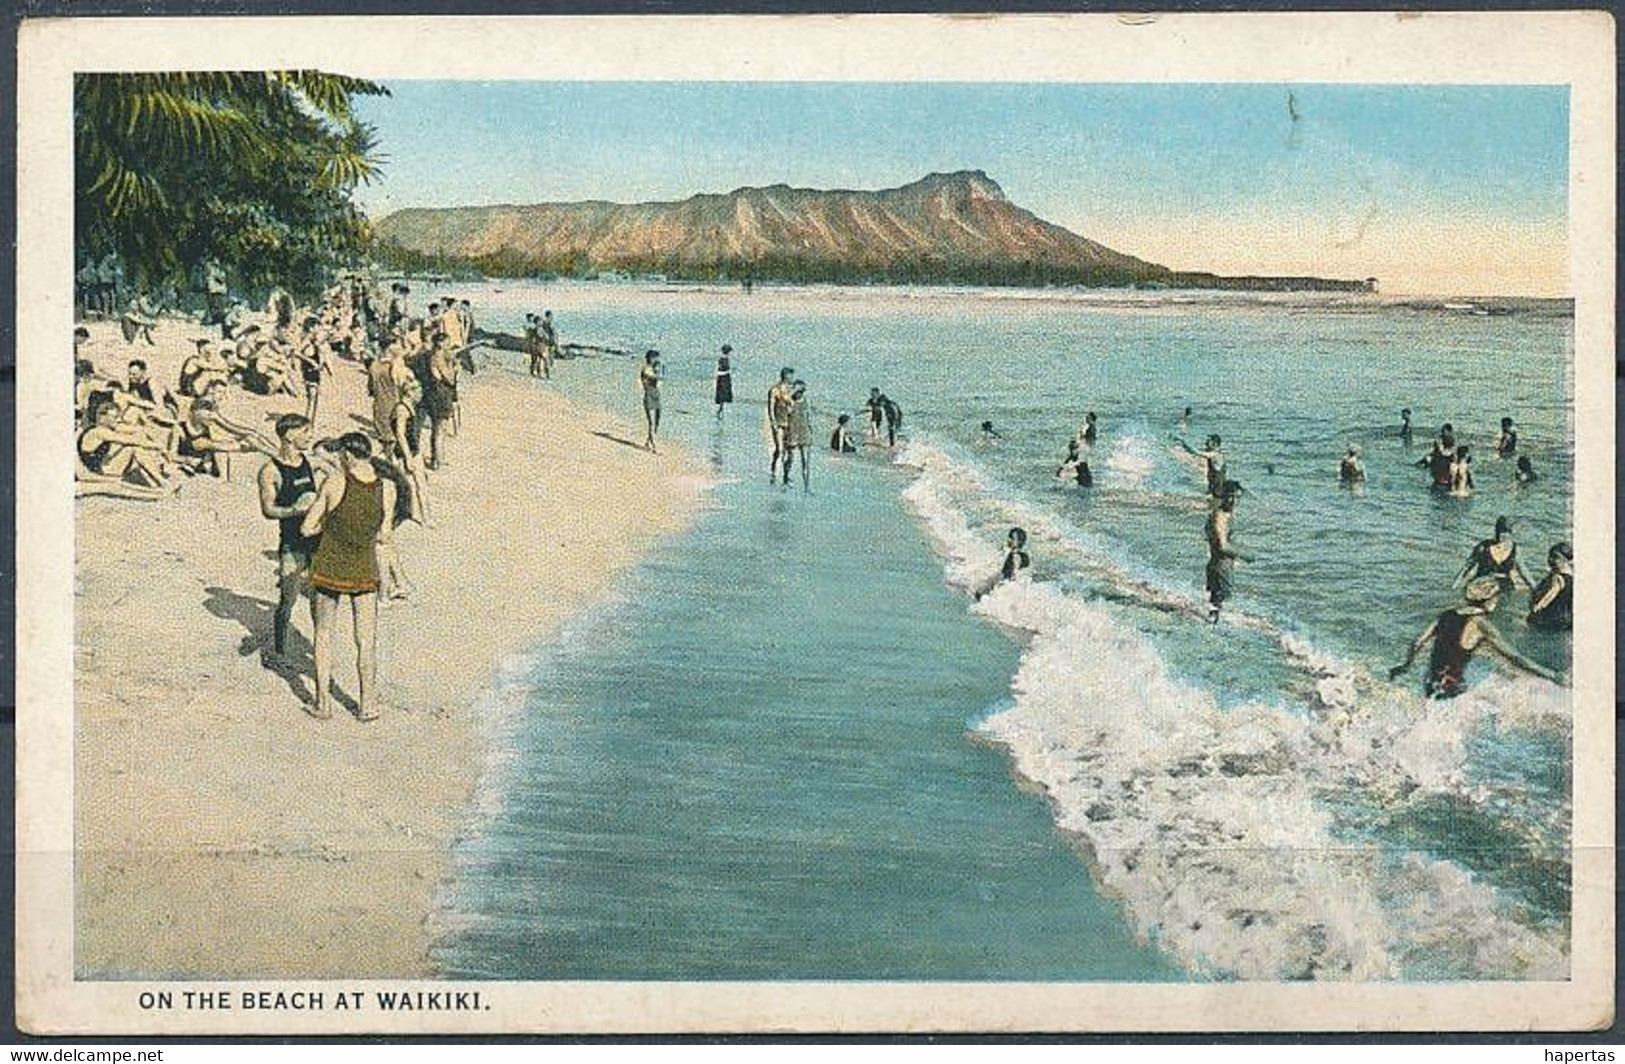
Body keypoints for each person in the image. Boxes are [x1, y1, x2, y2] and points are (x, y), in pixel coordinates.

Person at [301, 433, 397, 721]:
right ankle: (367, 705)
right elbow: (384, 534)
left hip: (330, 566)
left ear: (347, 455)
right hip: (365, 569)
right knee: (366, 640)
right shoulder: (387, 487)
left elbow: (307, 528)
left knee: (323, 635)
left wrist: (328, 525)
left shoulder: (335, 483)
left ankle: (323, 704)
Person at [1389, 576, 1559, 698]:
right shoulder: (1480, 623)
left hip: (1430, 683)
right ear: (1490, 600)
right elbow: (1513, 656)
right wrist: (1549, 674)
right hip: (1453, 689)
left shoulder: (1447, 615)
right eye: (1496, 598)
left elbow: (1418, 641)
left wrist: (1405, 666)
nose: (1497, 602)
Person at [257, 414, 322, 659]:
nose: (309, 436)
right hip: (292, 541)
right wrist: (297, 509)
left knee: (319, 597)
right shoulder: (270, 471)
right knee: (288, 599)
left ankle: (320, 646)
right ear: (289, 435)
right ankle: (280, 649)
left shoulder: (310, 461)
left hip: (317, 538)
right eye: (305, 432)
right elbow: (268, 509)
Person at [78, 391, 170, 488]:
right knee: (134, 448)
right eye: (114, 417)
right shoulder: (99, 432)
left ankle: (158, 471)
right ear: (102, 417)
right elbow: (132, 440)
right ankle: (162, 482)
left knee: (137, 439)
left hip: (103, 464)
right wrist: (160, 447)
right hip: (101, 471)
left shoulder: (102, 427)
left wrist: (147, 431)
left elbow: (136, 431)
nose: (118, 420)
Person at [1203, 479, 1252, 622]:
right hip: (1220, 566)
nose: (1233, 500)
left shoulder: (1220, 515)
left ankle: (1212, 625)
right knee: (1217, 602)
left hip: (1220, 564)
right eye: (1230, 496)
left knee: (1216, 602)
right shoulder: (1220, 517)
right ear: (1222, 496)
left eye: (1236, 497)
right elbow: (1222, 546)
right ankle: (1212, 628)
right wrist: (1246, 555)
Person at [1455, 516, 1535, 593]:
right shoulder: (1483, 547)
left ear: (1511, 533)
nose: (1503, 536)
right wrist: (1455, 586)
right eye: (1501, 532)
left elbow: (1524, 572)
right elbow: (1466, 567)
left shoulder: (1514, 549)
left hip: (1503, 586)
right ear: (1496, 531)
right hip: (1481, 585)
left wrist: (1534, 589)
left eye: (1506, 532)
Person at [1526, 542, 1573, 631]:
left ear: (1566, 560)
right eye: (1550, 556)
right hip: (1566, 620)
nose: (1550, 559)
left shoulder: (1557, 577)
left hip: (1549, 620)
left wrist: (1538, 607)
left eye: (1555, 557)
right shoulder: (1572, 577)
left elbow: (1550, 594)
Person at [976, 527, 1031, 600]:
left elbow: (1012, 575)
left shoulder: (1014, 555)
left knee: (979, 593)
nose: (1008, 540)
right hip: (1012, 587)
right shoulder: (1024, 556)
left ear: (1016, 542)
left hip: (1005, 586)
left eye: (1011, 538)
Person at [1176, 433, 1227, 499]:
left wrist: (1183, 443)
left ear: (1214, 444)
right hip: (1215, 485)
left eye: (1208, 441)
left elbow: (1196, 453)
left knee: (1214, 502)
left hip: (1218, 487)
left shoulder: (1214, 454)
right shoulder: (1217, 454)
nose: (1205, 443)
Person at [782, 380, 811, 490]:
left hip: (804, 432)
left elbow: (808, 418)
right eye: (797, 391)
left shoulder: (807, 401)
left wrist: (810, 432)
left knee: (805, 460)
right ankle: (785, 478)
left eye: (801, 391)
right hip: (792, 432)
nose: (798, 393)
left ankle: (806, 486)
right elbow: (786, 413)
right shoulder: (790, 402)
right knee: (790, 459)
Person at [768, 368, 797, 479]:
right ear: (785, 376)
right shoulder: (775, 390)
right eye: (791, 376)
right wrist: (773, 423)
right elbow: (770, 408)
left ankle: (786, 475)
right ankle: (774, 470)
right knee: (779, 449)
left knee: (790, 451)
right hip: (779, 422)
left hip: (790, 423)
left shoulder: (792, 390)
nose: (792, 378)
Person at [638, 349, 663, 452]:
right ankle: (653, 443)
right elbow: (653, 378)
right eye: (655, 358)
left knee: (657, 419)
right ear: (650, 358)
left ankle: (648, 441)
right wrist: (657, 371)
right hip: (649, 395)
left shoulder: (654, 368)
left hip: (656, 395)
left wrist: (658, 370)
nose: (656, 360)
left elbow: (660, 380)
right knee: (651, 422)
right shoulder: (646, 369)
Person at [1418, 424, 1456, 490]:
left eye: (1444, 431)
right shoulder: (1440, 439)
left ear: (1450, 431)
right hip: (1438, 458)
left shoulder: (1451, 440)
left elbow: (1451, 450)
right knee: (1426, 460)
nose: (1442, 433)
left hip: (1443, 459)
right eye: (1442, 431)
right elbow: (1436, 451)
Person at [714, 347, 734, 417]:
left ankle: (720, 409)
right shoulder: (724, 359)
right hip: (724, 377)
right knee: (723, 392)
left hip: (721, 376)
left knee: (721, 393)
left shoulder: (721, 358)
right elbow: (725, 368)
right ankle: (720, 409)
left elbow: (721, 368)